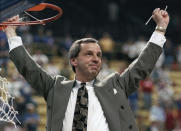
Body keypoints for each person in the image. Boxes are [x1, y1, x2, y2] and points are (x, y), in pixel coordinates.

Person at [4, 8, 169, 131]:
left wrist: (160, 28)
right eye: (89, 54)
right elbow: (28, 67)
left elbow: (142, 66)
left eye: (99, 54)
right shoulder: (55, 87)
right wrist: (11, 31)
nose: (96, 58)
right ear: (74, 61)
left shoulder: (114, 85)